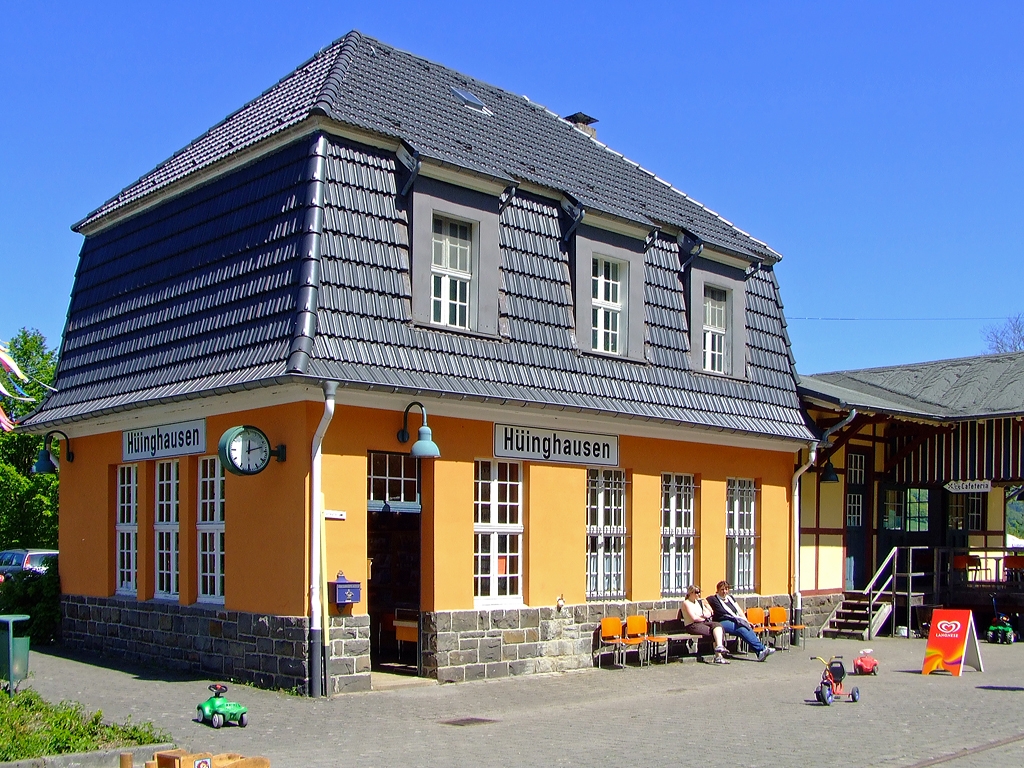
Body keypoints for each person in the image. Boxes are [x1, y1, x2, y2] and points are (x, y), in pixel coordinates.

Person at [706, 580, 774, 661]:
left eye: (726, 589)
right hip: (721, 622)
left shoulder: (730, 598)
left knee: (746, 627)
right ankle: (761, 649)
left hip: (734, 620)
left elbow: (739, 610)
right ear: (718, 590)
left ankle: (760, 652)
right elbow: (703, 601)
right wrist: (709, 609)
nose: (724, 591)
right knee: (740, 628)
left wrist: (746, 621)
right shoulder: (713, 599)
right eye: (722, 589)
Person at [680, 585, 730, 664]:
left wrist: (703, 614)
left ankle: (719, 646)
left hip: (702, 623)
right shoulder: (686, 603)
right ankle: (718, 656)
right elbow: (694, 618)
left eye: (699, 592)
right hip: (692, 625)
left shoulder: (698, 602)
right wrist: (703, 617)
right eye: (697, 592)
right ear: (691, 593)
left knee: (717, 625)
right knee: (712, 631)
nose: (699, 594)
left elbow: (709, 613)